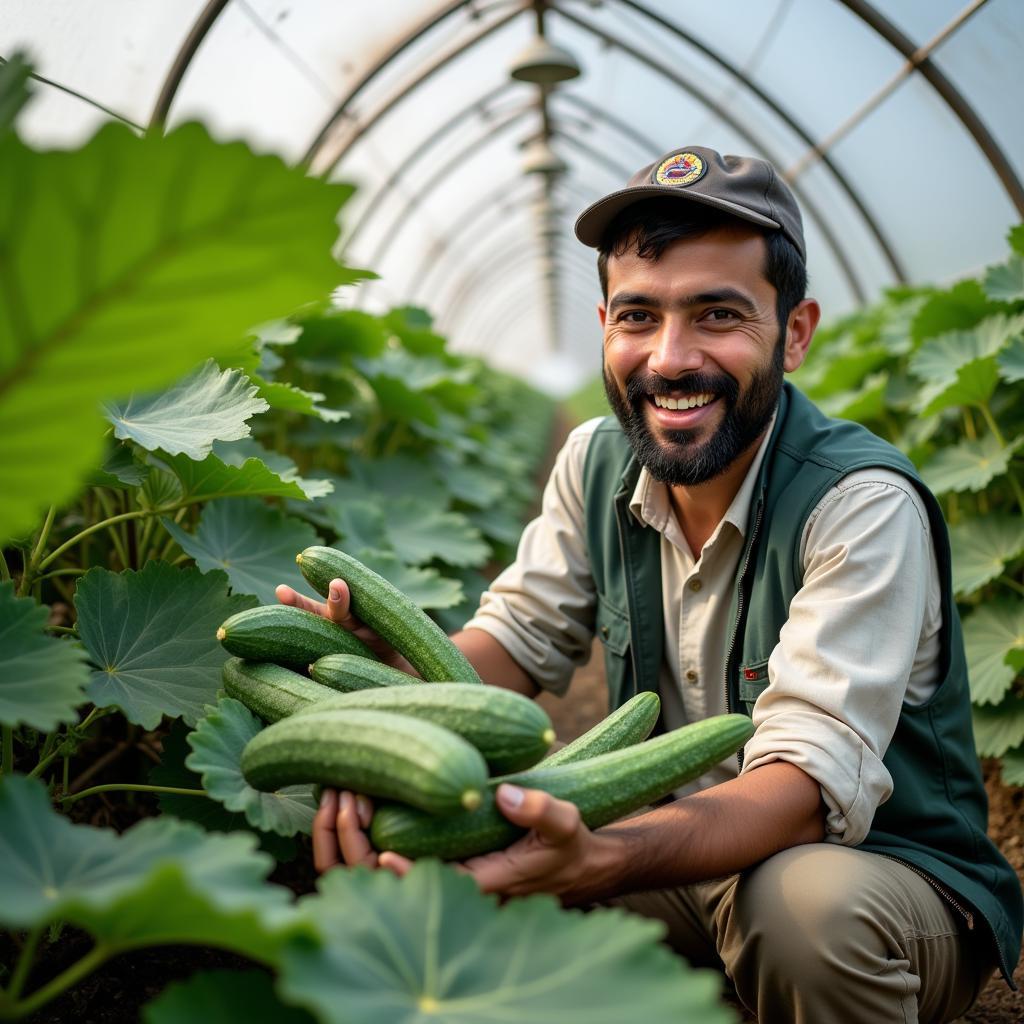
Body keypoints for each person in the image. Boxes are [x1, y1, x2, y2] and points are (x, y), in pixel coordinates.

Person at [277, 145, 1022, 1023]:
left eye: (717, 315)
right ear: (604, 325)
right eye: (638, 316)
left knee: (798, 913)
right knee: (437, 861)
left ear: (795, 331)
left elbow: (797, 785)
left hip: (877, 881)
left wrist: (605, 855)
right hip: (681, 859)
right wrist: (391, 697)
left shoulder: (861, 503)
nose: (670, 359)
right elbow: (514, 639)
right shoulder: (595, 458)